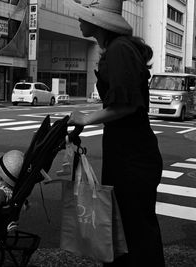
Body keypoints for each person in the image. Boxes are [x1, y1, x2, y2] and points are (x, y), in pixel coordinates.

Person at [66, 0, 165, 266]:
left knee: (135, 231)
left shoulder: (120, 50)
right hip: (130, 152)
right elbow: (120, 102)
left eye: (83, 16)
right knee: (128, 228)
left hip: (132, 157)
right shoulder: (119, 49)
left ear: (98, 21)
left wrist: (86, 118)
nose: (79, 20)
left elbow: (126, 105)